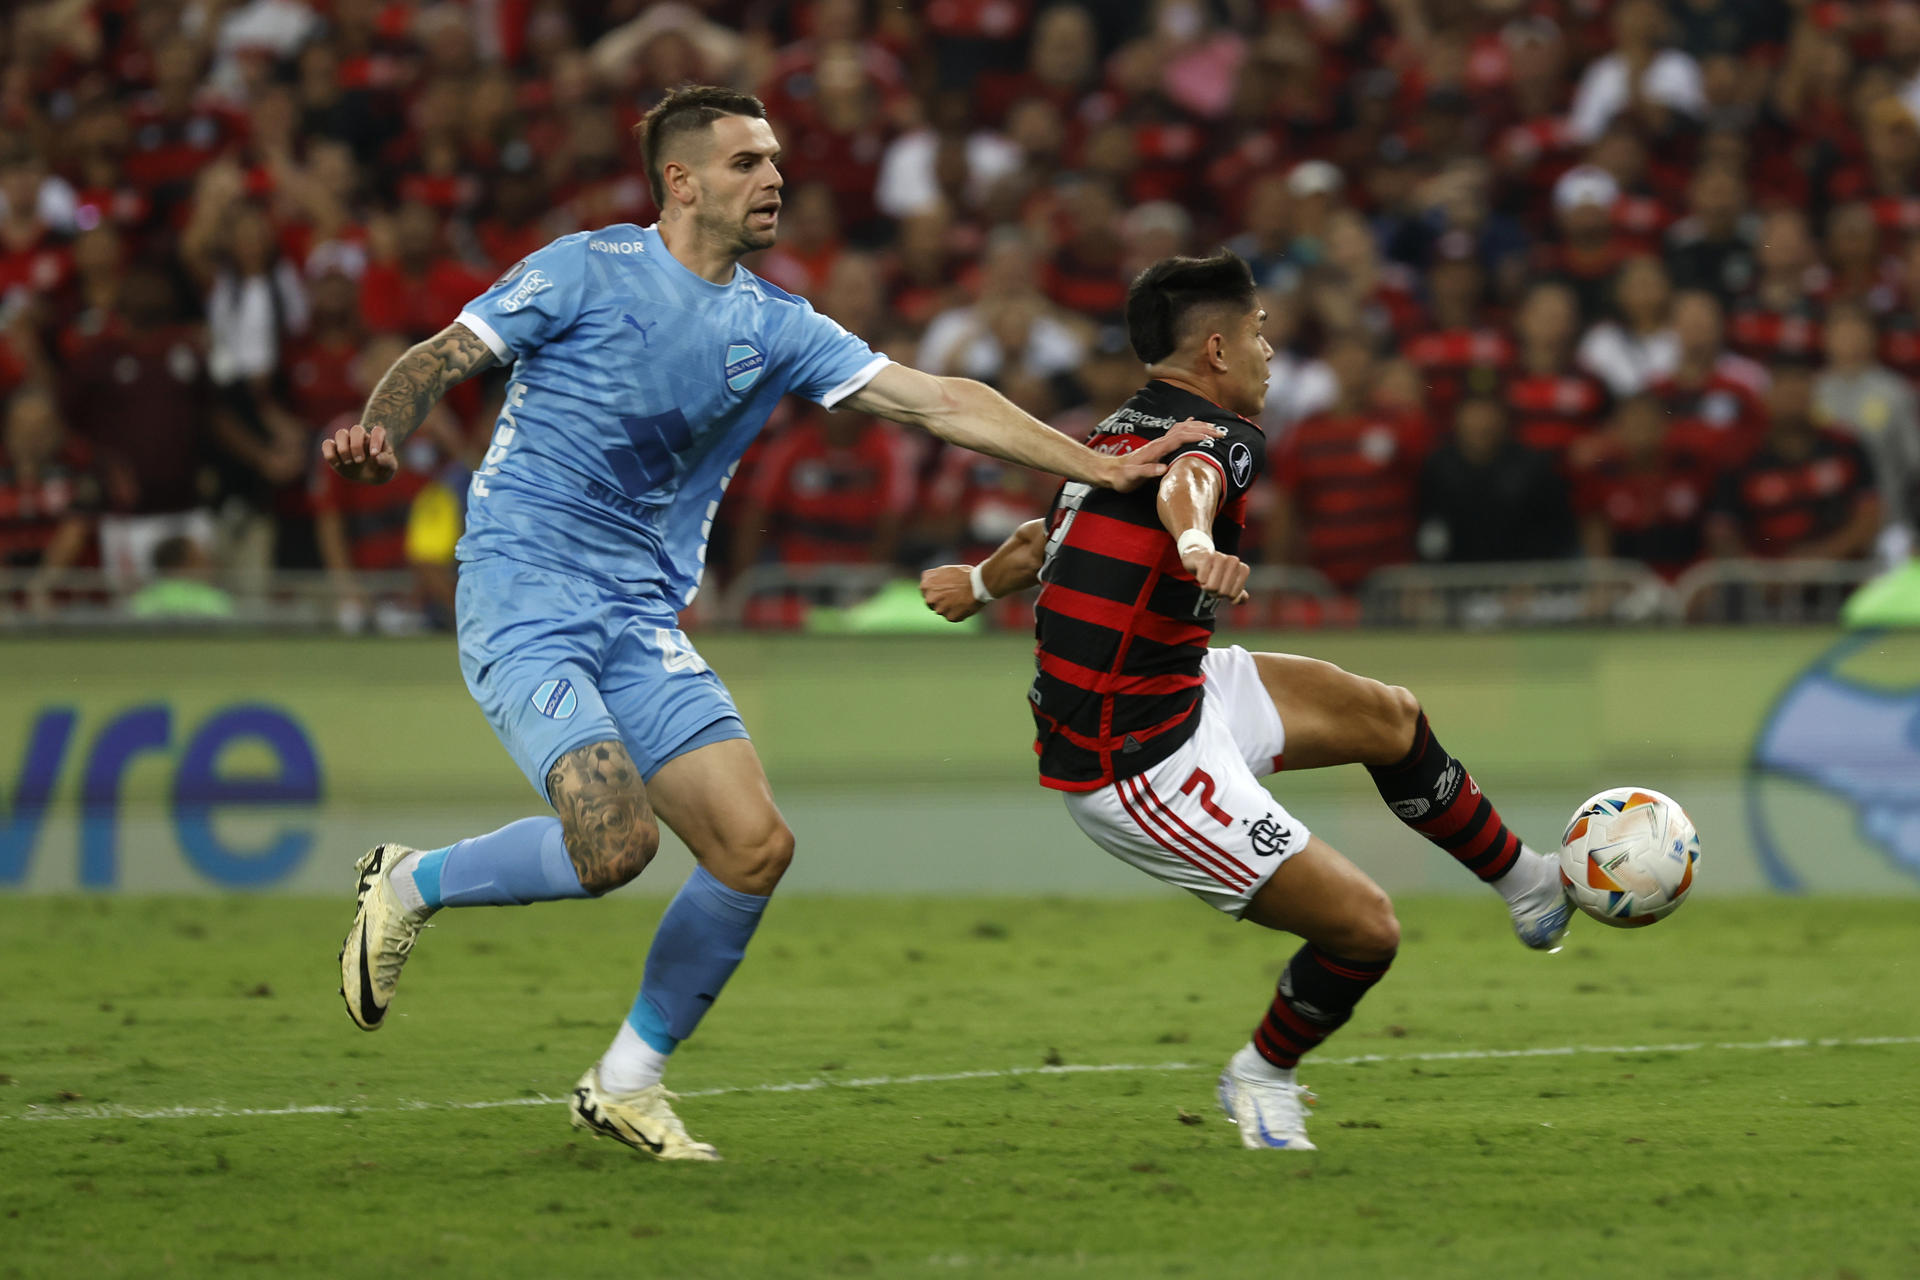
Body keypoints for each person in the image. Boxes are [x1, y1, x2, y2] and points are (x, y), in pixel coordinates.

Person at [325, 86, 1213, 1162]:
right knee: (615, 843)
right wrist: (379, 427)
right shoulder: (586, 267)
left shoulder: (776, 324)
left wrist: (1099, 466)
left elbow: (937, 399)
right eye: (746, 161)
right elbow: (441, 355)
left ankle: (627, 1083)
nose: (774, 178)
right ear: (681, 181)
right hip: (524, 590)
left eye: (777, 159)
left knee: (753, 847)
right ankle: (410, 881)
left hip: (639, 613)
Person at [919, 252, 1573, 1152]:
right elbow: (1190, 484)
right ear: (1217, 350)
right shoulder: (1222, 435)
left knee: (1388, 717)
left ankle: (1529, 885)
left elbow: (1046, 537)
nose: (1270, 350)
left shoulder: (1114, 430)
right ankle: (1262, 1074)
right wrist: (1194, 543)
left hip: (1177, 686)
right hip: (1138, 762)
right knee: (1365, 931)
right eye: (1260, 332)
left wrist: (975, 583)